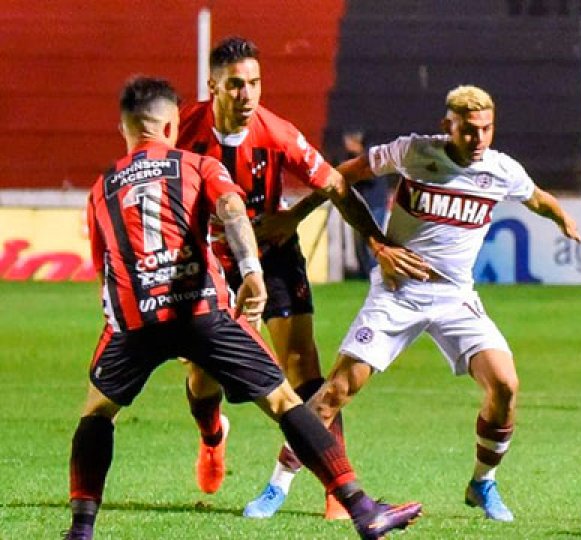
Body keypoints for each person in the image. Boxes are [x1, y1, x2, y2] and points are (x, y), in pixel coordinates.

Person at [64, 76, 422, 540]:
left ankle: (81, 531)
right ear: (171, 125)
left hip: (135, 319)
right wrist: (252, 270)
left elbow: (104, 270)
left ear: (125, 129)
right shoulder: (194, 165)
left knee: (96, 414)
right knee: (283, 401)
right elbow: (232, 210)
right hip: (202, 311)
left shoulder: (102, 189)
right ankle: (360, 507)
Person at [256, 84, 581, 522]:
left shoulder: (502, 170)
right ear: (447, 126)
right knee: (336, 390)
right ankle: (278, 484)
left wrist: (563, 217)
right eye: (468, 130)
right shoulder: (413, 152)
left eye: (486, 129)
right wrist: (298, 215)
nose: (478, 138)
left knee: (505, 385)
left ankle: (482, 483)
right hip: (398, 293)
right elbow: (340, 177)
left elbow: (538, 199)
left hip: (456, 298)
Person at [176, 36, 428, 519]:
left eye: (254, 83)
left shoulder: (277, 134)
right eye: (235, 85)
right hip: (208, 257)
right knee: (202, 373)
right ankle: (212, 437)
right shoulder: (184, 132)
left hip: (272, 253)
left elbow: (335, 183)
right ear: (213, 86)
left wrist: (374, 240)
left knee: (301, 363)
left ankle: (335, 487)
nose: (246, 94)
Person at [335, 128, 391, 279]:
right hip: (361, 204)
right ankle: (366, 273)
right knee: (361, 241)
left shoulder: (370, 156)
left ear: (355, 141)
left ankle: (375, 273)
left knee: (373, 240)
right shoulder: (352, 157)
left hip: (375, 204)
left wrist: (351, 172)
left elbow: (371, 177)